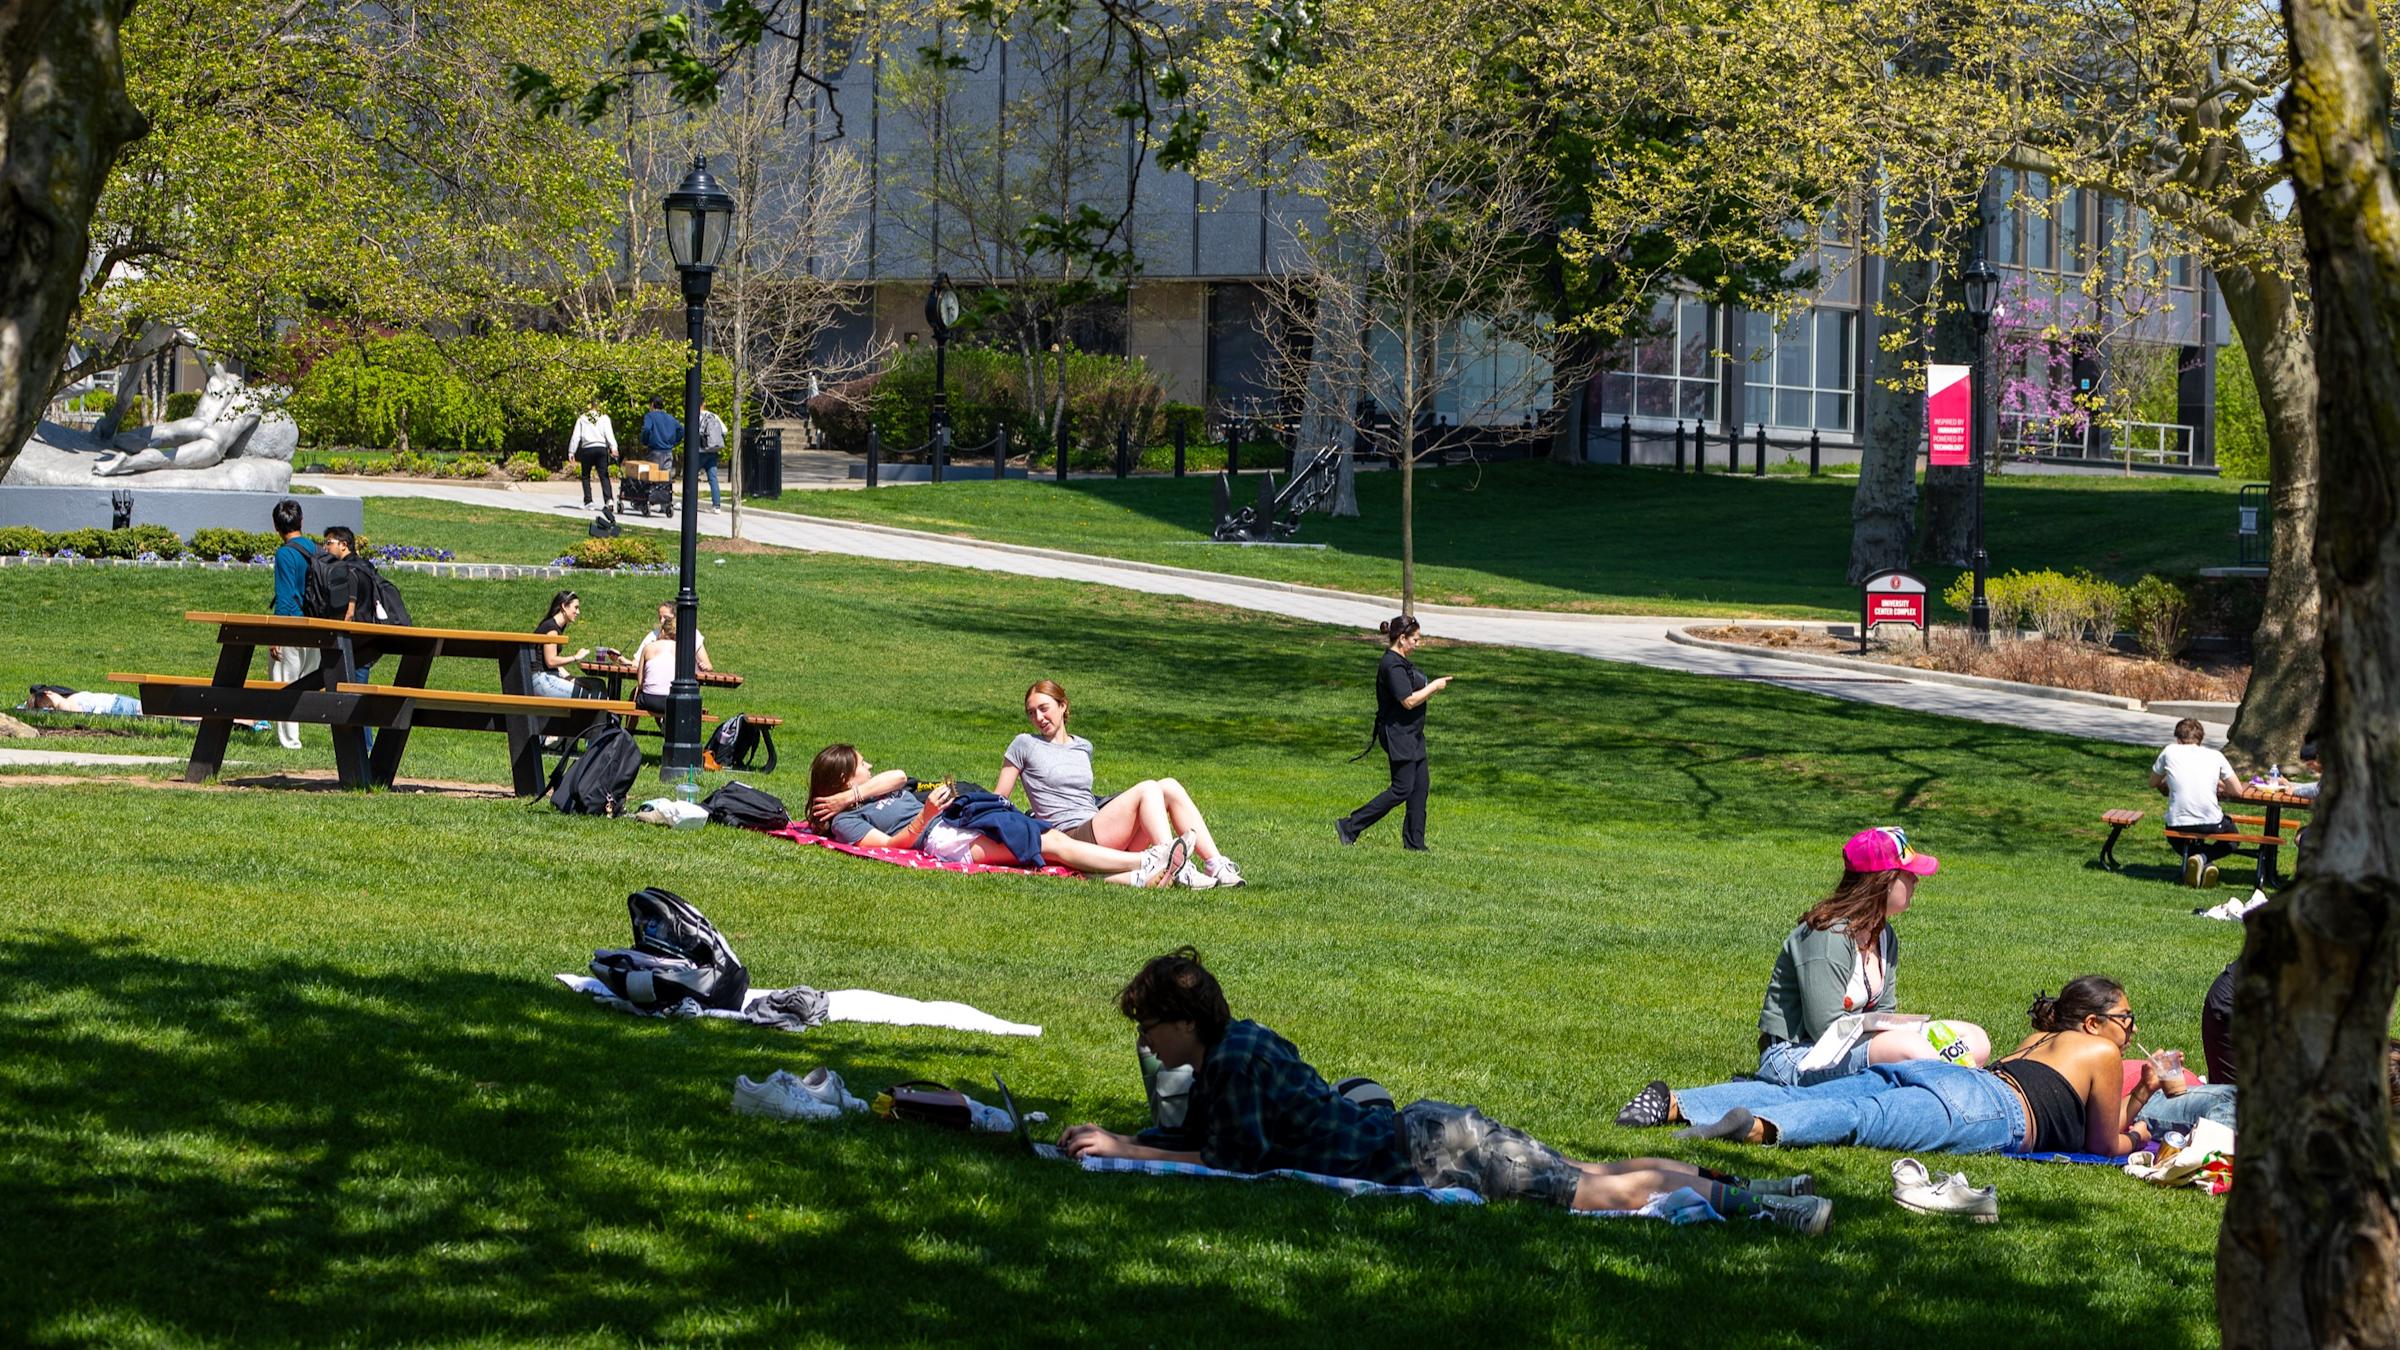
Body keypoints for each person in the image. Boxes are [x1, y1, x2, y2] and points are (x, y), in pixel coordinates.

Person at [1056, 948, 1831, 1233]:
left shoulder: (1231, 1067)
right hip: (1430, 1130)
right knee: (1593, 1175)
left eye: (1151, 1027)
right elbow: (1218, 1137)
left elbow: (1232, 1160)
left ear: (1186, 1023)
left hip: (1431, 1158)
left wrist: (1126, 1145)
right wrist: (1139, 1135)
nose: (1146, 1044)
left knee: (1602, 1194)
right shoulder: (1247, 1037)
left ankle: (1767, 1209)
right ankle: (1749, 1185)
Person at [1621, 829, 1989, 1114]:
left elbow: (1885, 1014)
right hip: (1797, 1055)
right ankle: (1958, 1096)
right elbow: (1824, 1029)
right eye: (1907, 874)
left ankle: (1931, 1086)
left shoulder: (1884, 933)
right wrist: (1903, 1044)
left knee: (1973, 1037)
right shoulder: (1827, 935)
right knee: (1912, 1048)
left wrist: (1914, 1038)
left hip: (1853, 1048)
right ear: (1882, 880)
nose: (1916, 881)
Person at [1629, 975, 2170, 1159]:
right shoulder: (2101, 1052)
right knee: (1864, 1119)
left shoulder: (2042, 1038)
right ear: (2094, 1023)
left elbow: (2077, 1113)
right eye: (2126, 1017)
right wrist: (2142, 1134)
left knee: (1827, 1095)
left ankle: (1680, 1102)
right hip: (1987, 1110)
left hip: (1956, 1079)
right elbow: (2100, 1144)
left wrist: (2141, 1094)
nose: (2132, 1029)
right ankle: (1759, 1128)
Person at [807, 743, 1192, 886]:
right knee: (1049, 845)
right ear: (843, 775)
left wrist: (848, 796)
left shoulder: (864, 795)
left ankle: (1143, 873)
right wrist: (924, 816)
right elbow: (890, 846)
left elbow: (900, 775)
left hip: (960, 817)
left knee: (1048, 848)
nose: (870, 765)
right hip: (943, 836)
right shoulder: (844, 822)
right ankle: (1147, 860)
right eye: (861, 764)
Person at [993, 679, 1243, 889]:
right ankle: (1177, 866)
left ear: (1062, 705)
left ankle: (1216, 864)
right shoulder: (1024, 744)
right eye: (1031, 712)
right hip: (1072, 837)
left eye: (1044, 708)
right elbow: (999, 798)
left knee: (1168, 785)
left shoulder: (1083, 746)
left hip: (1099, 829)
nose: (1038, 717)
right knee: (1148, 788)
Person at [1336, 614, 1450, 851]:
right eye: (1415, 640)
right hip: (1399, 735)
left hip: (1414, 734)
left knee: (1420, 788)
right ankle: (1350, 825)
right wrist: (1433, 687)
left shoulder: (1402, 661)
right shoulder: (1391, 665)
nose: (1417, 645)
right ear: (1401, 638)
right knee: (1402, 789)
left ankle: (1415, 844)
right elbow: (1408, 701)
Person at [2151, 717, 2243, 887]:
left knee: (2178, 839)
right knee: (2233, 838)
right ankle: (2204, 859)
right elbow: (2237, 791)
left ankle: (2200, 861)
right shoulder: (2215, 756)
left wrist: (2170, 781)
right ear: (2200, 739)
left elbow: (2152, 782)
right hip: (2210, 821)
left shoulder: (2169, 751)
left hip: (2177, 823)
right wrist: (2217, 784)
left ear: (2178, 739)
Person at [267, 498, 319, 750]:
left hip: (293, 626)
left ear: (276, 527)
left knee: (283, 681)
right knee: (302, 682)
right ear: (302, 521)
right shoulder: (315, 549)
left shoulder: (285, 554)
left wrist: (277, 634)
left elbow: (286, 597)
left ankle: (290, 741)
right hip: (316, 627)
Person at [530, 590, 591, 700]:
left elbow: (554, 665)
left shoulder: (555, 627)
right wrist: (575, 657)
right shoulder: (551, 629)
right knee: (587, 696)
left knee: (595, 686)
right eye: (575, 608)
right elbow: (551, 661)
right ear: (564, 606)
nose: (578, 612)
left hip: (547, 678)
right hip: (542, 680)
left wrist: (570, 678)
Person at [631, 601, 712, 673]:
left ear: (676, 618)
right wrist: (624, 661)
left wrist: (704, 667)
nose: (662, 621)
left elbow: (708, 666)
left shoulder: (691, 634)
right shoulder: (653, 635)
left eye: (666, 618)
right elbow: (636, 662)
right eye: (660, 617)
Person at [567, 399, 619, 511]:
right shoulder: (604, 418)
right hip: (601, 448)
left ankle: (588, 501)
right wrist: (613, 447)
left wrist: (572, 451)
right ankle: (608, 499)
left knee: (586, 476)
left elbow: (576, 436)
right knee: (603, 475)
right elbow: (609, 434)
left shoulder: (582, 418)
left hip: (587, 449)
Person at [630, 612, 678, 716]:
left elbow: (640, 683)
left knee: (635, 693)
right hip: (674, 701)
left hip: (649, 700)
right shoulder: (682, 650)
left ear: (663, 631)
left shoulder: (648, 648)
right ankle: (666, 730)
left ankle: (629, 729)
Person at [696, 401, 727, 511]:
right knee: (713, 479)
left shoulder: (695, 416)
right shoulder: (713, 416)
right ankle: (716, 505)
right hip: (713, 451)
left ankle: (689, 502)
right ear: (703, 403)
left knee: (691, 477)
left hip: (700, 452)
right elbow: (724, 430)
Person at [639, 395, 681, 468]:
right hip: (668, 452)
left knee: (654, 477)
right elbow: (681, 430)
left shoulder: (650, 416)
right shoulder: (670, 417)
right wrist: (674, 441)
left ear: (652, 404)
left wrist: (644, 441)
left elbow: (646, 429)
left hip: (655, 452)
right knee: (666, 477)